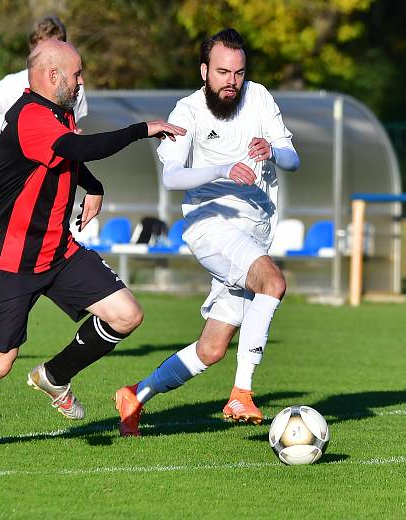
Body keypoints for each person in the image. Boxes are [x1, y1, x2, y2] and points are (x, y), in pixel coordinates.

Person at [0, 39, 186, 454]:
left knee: (126, 314)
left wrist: (93, 185)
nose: (82, 81)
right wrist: (141, 130)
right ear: (53, 76)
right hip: (9, 259)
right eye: (77, 74)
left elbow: (68, 157)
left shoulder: (59, 113)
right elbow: (75, 148)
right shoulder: (28, 115)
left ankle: (54, 376)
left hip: (57, 251)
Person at [114, 28, 300, 437]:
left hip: (255, 232)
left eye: (238, 72)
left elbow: (292, 158)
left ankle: (135, 394)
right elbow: (172, 176)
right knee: (272, 282)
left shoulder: (261, 97)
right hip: (210, 224)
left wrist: (274, 151)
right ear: (204, 71)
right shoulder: (188, 112)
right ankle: (242, 392)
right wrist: (220, 169)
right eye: (222, 72)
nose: (231, 80)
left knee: (212, 348)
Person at [0, 15, 88, 359]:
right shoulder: (13, 85)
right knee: (12, 256)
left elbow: (72, 138)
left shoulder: (74, 87)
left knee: (44, 255)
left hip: (55, 190)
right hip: (16, 189)